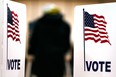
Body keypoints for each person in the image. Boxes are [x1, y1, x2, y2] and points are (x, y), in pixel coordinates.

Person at [27, 4, 71, 77]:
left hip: (41, 60)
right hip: (57, 61)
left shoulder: (38, 24)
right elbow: (66, 45)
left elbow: (33, 41)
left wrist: (31, 52)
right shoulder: (65, 25)